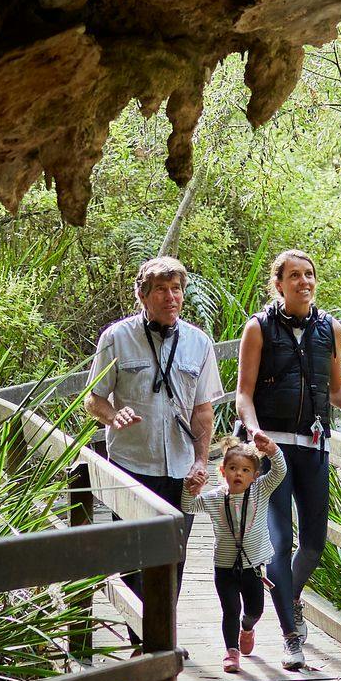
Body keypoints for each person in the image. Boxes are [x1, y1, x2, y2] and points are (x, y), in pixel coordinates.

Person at [235, 249, 341, 669]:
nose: (304, 282)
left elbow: (336, 390)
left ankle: (279, 599)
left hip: (314, 446)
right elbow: (243, 394)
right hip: (272, 451)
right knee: (281, 543)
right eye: (294, 276)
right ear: (279, 283)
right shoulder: (259, 328)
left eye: (309, 275)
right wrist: (253, 430)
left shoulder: (330, 329)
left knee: (315, 544)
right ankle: (291, 636)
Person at [86, 256, 222, 599]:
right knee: (131, 556)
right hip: (131, 465)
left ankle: (164, 636)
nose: (170, 297)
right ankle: (142, 638)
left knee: (174, 555)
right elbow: (93, 399)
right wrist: (112, 415)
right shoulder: (116, 338)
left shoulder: (199, 343)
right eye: (160, 289)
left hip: (181, 468)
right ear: (143, 295)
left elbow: (203, 410)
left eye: (176, 289)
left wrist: (201, 461)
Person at [183, 435, 286, 674]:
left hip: (253, 566)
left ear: (255, 475)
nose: (238, 474)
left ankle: (247, 629)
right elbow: (189, 506)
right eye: (232, 468)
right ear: (222, 470)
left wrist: (272, 450)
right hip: (225, 566)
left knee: (254, 610)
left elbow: (279, 472)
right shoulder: (216, 497)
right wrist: (191, 489)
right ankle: (231, 652)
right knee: (230, 609)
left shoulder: (261, 491)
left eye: (245, 470)